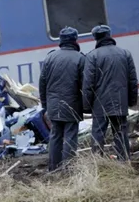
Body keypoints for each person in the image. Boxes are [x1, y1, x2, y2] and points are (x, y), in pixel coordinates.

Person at [82, 25, 138, 161]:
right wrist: (131, 101)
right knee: (120, 132)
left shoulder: (92, 56)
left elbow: (88, 84)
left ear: (96, 38)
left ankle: (97, 162)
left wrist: (86, 106)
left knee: (98, 133)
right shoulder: (125, 54)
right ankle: (123, 162)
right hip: (120, 101)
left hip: (99, 103)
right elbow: (132, 80)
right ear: (109, 35)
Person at [39, 27, 85, 171]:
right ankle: (68, 168)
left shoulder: (50, 57)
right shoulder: (80, 58)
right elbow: (85, 84)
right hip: (72, 104)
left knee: (55, 136)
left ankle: (53, 168)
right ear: (74, 40)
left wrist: (45, 104)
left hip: (53, 104)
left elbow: (42, 83)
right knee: (71, 136)